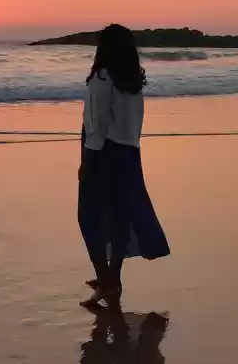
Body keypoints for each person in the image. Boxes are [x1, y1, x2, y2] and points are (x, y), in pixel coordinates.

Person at [78, 24, 170, 307]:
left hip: (103, 153)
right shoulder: (132, 81)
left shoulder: (103, 78)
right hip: (128, 154)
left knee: (89, 217)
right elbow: (135, 124)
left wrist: (87, 161)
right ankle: (113, 279)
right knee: (119, 217)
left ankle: (105, 279)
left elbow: (98, 124)